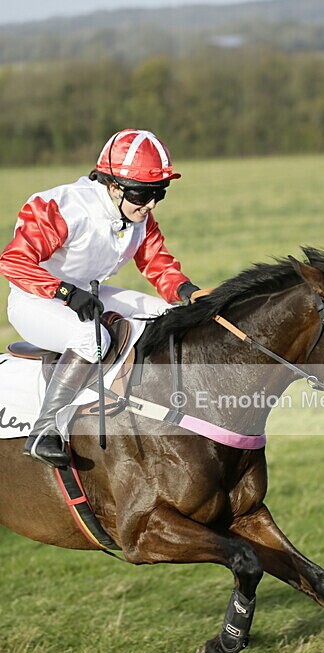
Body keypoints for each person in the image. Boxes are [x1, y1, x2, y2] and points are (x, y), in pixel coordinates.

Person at [0, 129, 201, 467]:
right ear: (112, 186)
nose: (150, 204)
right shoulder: (61, 207)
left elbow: (155, 260)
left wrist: (187, 292)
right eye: (142, 194)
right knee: (91, 339)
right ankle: (43, 430)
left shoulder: (139, 217)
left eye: (158, 194)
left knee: (165, 314)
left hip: (85, 292)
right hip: (34, 298)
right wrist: (64, 292)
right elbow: (14, 261)